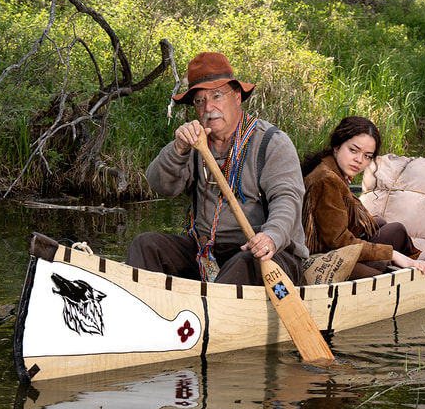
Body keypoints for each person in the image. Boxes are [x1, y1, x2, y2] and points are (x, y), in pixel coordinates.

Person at [126, 51, 308, 286]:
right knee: (146, 245)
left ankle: (209, 316)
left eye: (217, 95)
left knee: (242, 263)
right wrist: (178, 149)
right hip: (207, 254)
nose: (208, 107)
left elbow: (288, 200)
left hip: (267, 254)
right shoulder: (194, 142)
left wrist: (271, 237)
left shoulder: (272, 142)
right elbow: (160, 186)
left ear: (237, 97)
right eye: (200, 101)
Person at [300, 116, 425, 279]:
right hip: (324, 258)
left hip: (336, 249)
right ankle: (411, 273)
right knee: (384, 268)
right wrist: (393, 254)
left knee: (393, 229)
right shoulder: (326, 180)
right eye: (353, 150)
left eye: (367, 156)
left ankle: (411, 269)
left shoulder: (331, 168)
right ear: (337, 145)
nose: (359, 160)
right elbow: (338, 243)